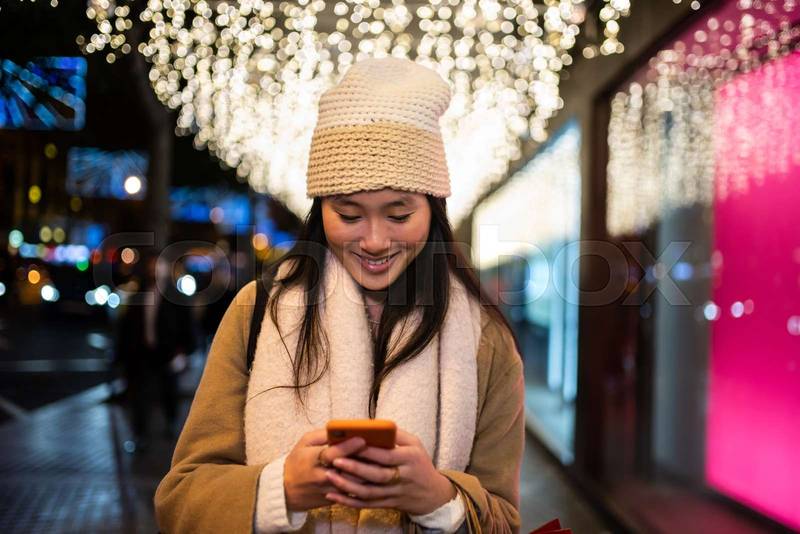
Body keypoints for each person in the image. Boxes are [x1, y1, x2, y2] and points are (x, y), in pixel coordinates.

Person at [154, 57, 524, 533]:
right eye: (349, 215)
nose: (373, 240)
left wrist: (438, 498)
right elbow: (180, 499)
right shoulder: (257, 312)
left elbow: (506, 519)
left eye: (398, 214)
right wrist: (281, 488)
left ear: (433, 209)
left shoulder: (484, 338)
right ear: (319, 210)